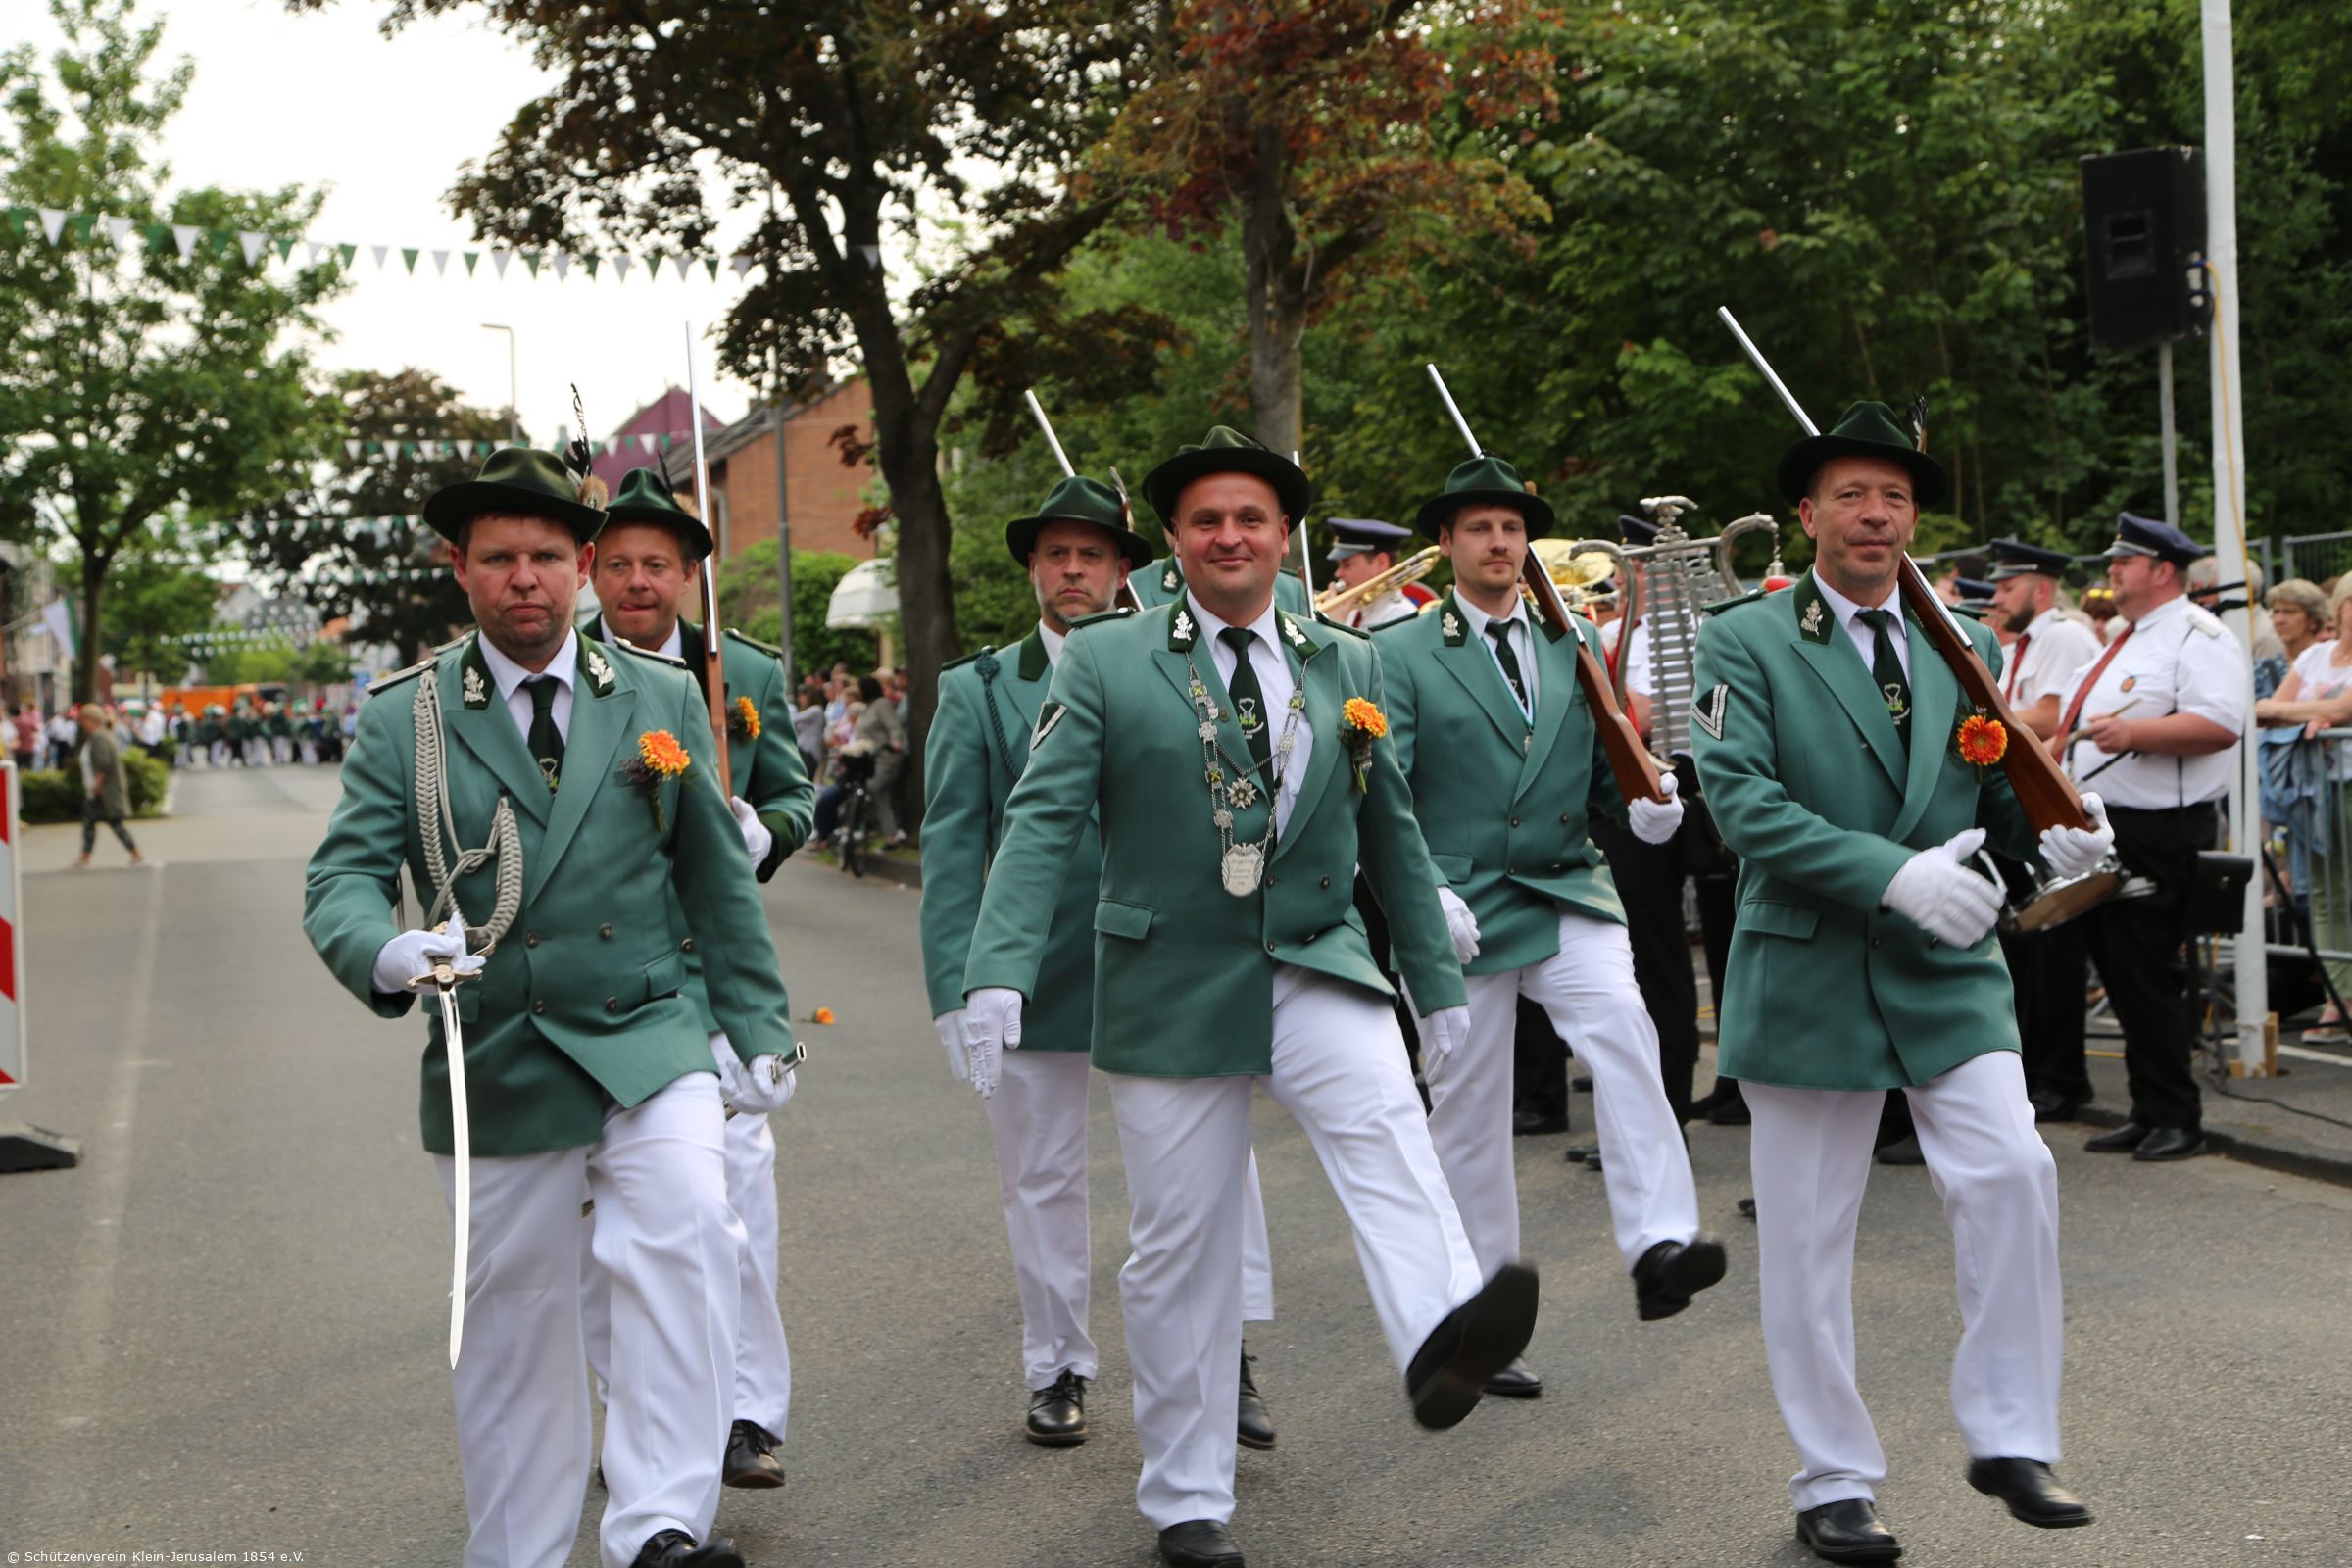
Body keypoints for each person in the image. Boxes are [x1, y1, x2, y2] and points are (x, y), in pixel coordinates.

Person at [959, 427, 1534, 1568]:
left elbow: (1390, 829)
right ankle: (1185, 1495)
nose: (1231, 536)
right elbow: (1042, 817)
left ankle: (1441, 1332)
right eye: (1208, 520)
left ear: (1284, 537)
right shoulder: (1109, 658)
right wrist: (997, 965)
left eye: (1251, 518)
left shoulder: (1346, 660)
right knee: (1183, 1242)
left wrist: (1433, 977)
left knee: (1385, 1118)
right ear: (1175, 542)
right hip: (1169, 973)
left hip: (1316, 952)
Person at [303, 446, 800, 1568]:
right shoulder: (408, 714)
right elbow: (341, 879)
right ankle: (519, 1550)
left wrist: (758, 1029)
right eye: (497, 558)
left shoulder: (660, 695)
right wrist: (387, 949)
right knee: (515, 1316)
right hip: (500, 1044)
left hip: (646, 1027)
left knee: (689, 1230)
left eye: (543, 556)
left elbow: (716, 880)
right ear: (459, 568)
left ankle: (659, 1523)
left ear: (581, 565)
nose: (523, 578)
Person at [1692, 401, 2110, 1564]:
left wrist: (2055, 835)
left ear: (1914, 518)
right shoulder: (1746, 638)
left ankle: (2011, 1433)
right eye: (1851, 495)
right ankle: (1832, 1477)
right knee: (1809, 1237)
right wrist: (1892, 875)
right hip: (1811, 959)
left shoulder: (1956, 638)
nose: (1875, 515)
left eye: (1895, 496)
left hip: (1946, 963)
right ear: (1808, 515)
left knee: (2014, 1168)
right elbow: (1744, 805)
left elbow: (1991, 787)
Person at [922, 472, 1285, 1452]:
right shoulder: (978, 688)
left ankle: (1228, 1353)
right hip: (1035, 968)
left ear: (1127, 569)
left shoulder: (1182, 664)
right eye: (1057, 555)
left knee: (1217, 1166)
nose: (1073, 571)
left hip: (1167, 959)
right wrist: (956, 984)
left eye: (1092, 554)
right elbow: (953, 846)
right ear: (1033, 570)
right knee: (1041, 1176)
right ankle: (1058, 1365)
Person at [1374, 454, 1723, 1405]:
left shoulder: (1570, 640)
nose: (1499, 543)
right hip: (1459, 898)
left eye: (1513, 528)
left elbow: (1607, 765)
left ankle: (1660, 1243)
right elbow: (1381, 788)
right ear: (1445, 543)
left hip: (1565, 882)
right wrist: (1421, 890)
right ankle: (1478, 1315)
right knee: (1468, 1106)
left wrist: (1649, 801)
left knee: (1624, 1028)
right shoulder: (1401, 652)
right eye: (1480, 528)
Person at [578, 466, 816, 1494]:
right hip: (606, 987)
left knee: (736, 1203)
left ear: (688, 574)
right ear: (591, 572)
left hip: (714, 978)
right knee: (608, 1230)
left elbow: (798, 794)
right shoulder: (567, 675)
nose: (639, 581)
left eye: (658, 564)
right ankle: (636, 1414)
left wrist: (763, 833)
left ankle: (747, 1412)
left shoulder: (742, 670)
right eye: (619, 564)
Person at [2063, 514, 2250, 1163]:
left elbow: (2221, 724)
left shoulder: (2199, 634)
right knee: (2121, 975)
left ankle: (2176, 1117)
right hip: (2111, 826)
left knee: (2148, 975)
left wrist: (2135, 733)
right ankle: (2147, 1110)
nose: (2111, 571)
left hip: (2161, 828)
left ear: (2163, 570)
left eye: (2124, 561)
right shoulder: (2130, 637)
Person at [1984, 538, 2107, 1123]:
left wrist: (1979, 724)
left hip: (2048, 805)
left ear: (2041, 588)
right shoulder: (2027, 642)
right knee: (2029, 952)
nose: (1998, 597)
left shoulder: (2061, 636)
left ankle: (2062, 1078)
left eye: (2008, 586)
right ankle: (2039, 1071)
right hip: (2023, 803)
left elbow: (2050, 716)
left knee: (2055, 951)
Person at [1322, 516, 1433, 630]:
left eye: (1347, 565)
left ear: (1381, 563)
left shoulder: (1400, 616)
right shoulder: (1352, 609)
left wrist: (1334, 624)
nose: (1338, 574)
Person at [73, 703, 144, 868]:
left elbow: (103, 763)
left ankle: (135, 853)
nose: (82, 724)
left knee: (109, 822)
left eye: (83, 720)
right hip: (99, 789)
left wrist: (97, 784)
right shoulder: (100, 736)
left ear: (91, 720)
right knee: (92, 822)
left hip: (103, 790)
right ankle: (86, 856)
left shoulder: (99, 738)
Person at [12, 703, 39, 772]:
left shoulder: (14, 723)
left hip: (19, 749)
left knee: (17, 769)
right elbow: (36, 731)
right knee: (29, 769)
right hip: (29, 749)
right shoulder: (30, 722)